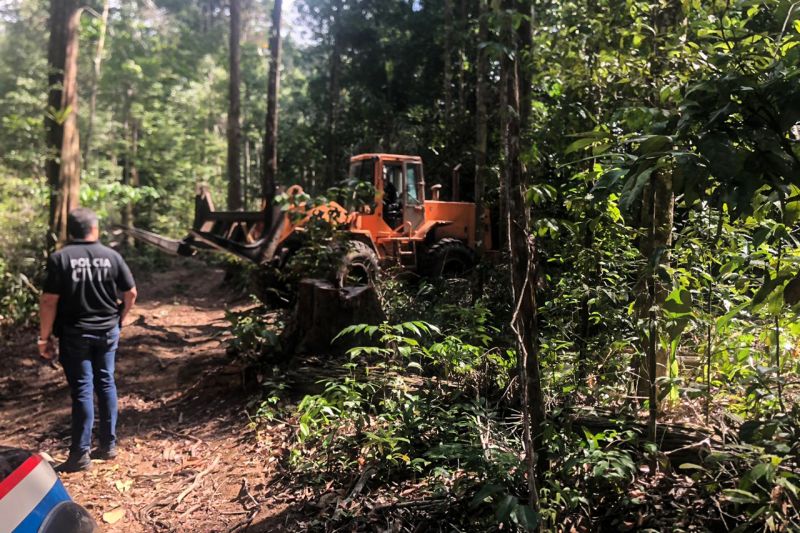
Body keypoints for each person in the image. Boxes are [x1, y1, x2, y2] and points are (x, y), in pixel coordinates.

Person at [38, 208, 137, 473]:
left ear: (70, 231)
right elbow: (131, 292)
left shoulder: (60, 258)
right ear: (96, 229)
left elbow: (49, 301)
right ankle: (108, 445)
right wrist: (121, 318)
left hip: (75, 334)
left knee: (83, 388)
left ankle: (80, 455)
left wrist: (43, 338)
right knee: (105, 382)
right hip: (107, 331)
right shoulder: (112, 256)